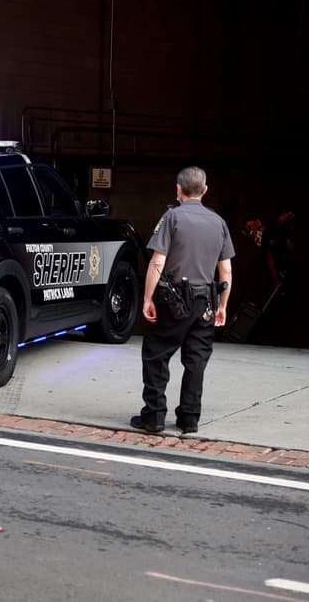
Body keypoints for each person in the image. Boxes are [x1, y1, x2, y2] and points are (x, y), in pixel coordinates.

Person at [131, 166, 234, 435]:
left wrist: (147, 298)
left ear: (178, 189)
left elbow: (158, 261)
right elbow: (226, 271)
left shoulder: (171, 218)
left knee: (156, 354)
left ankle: (153, 417)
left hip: (173, 300)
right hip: (206, 303)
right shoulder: (218, 222)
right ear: (205, 190)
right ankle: (189, 418)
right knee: (196, 360)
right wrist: (222, 304)